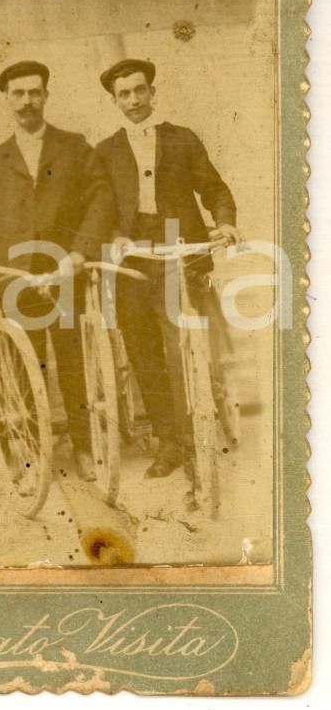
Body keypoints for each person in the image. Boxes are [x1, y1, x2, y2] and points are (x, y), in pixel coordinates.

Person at [0, 60, 115, 484]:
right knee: (25, 366)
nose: (26, 101)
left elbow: (101, 200)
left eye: (34, 92)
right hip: (14, 279)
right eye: (17, 93)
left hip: (63, 273)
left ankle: (85, 447)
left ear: (46, 96)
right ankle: (34, 449)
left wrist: (80, 252)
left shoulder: (74, 146)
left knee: (73, 362)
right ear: (6, 99)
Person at [94, 58, 239, 479]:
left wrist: (225, 219)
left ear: (152, 93)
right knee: (142, 350)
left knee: (181, 345)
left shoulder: (182, 139)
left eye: (140, 90)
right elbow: (100, 206)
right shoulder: (106, 151)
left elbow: (213, 188)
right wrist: (114, 238)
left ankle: (195, 440)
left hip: (179, 245)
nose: (134, 99)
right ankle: (169, 442)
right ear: (115, 101)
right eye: (124, 94)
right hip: (132, 257)